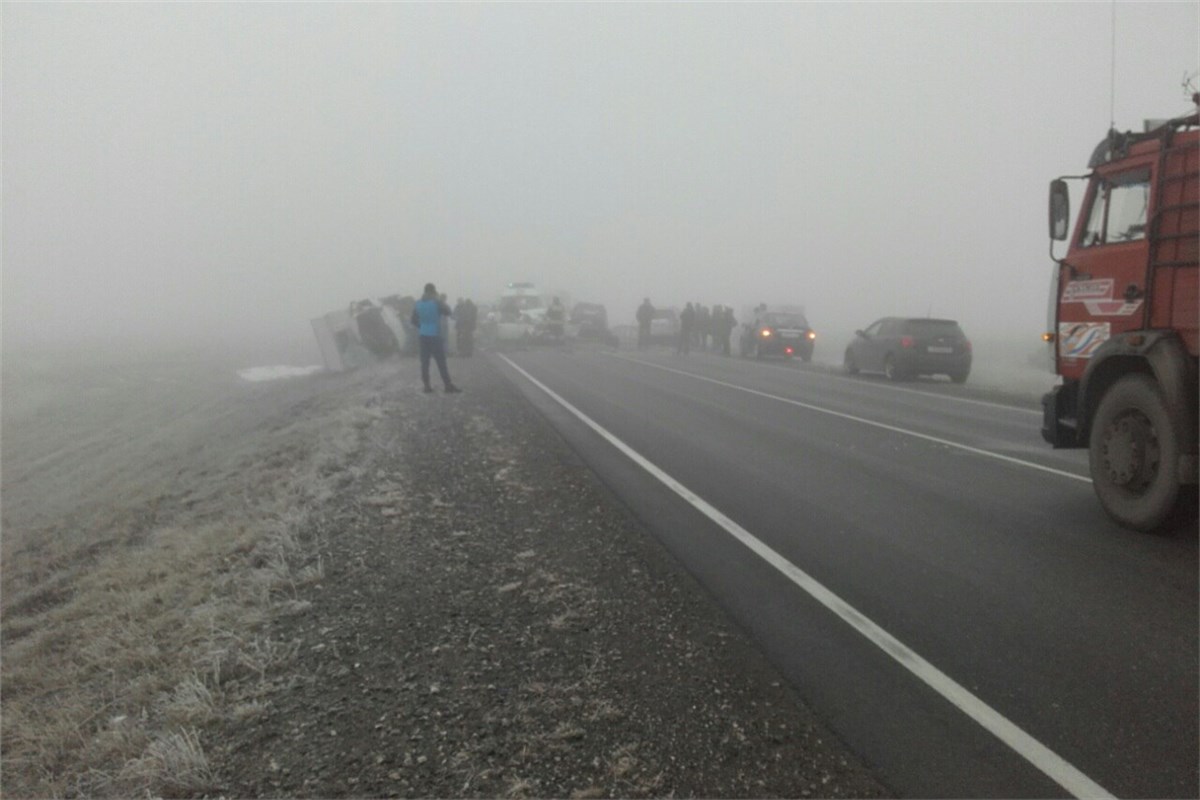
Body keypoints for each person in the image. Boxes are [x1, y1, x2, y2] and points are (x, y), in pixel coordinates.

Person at [410, 283, 461, 393]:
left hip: (423, 336)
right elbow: (448, 311)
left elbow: (413, 320)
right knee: (441, 362)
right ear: (433, 292)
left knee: (424, 363)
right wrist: (438, 300)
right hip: (435, 335)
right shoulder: (436, 302)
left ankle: (427, 387)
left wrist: (422, 326)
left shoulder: (418, 304)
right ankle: (448, 385)